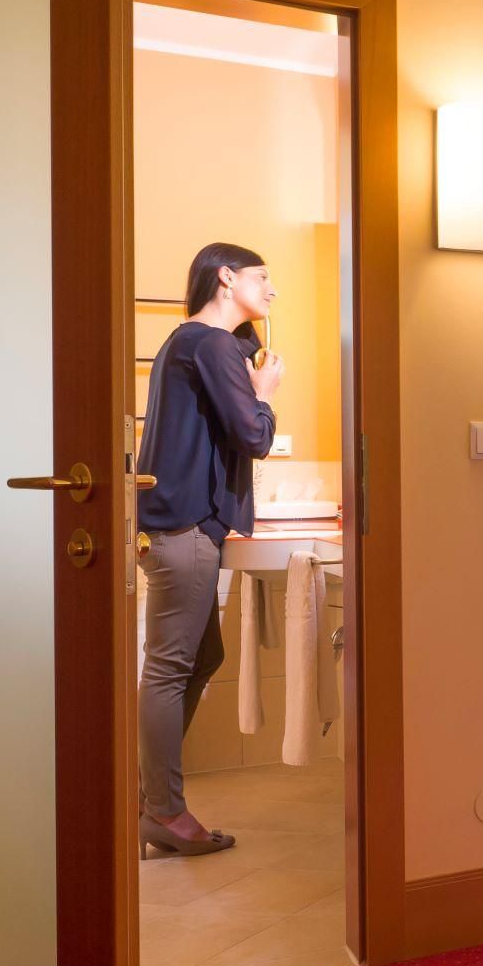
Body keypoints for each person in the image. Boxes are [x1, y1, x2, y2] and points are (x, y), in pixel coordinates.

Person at [135, 242, 283, 857]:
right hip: (186, 528)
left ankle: (149, 799)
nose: (272, 290)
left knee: (201, 657)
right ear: (227, 277)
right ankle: (163, 812)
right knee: (170, 667)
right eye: (262, 277)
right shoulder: (212, 344)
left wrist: (251, 358)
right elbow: (253, 435)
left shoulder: (188, 342)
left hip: (174, 526)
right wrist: (264, 392)